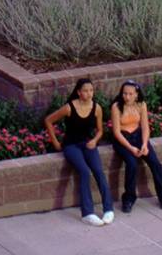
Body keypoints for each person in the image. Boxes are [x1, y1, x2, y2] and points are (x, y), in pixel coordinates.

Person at [44, 78, 115, 226]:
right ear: (78, 92)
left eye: (91, 90)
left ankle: (108, 209)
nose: (89, 94)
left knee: (98, 171)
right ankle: (87, 213)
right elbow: (48, 120)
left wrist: (95, 140)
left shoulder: (97, 108)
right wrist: (56, 142)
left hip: (88, 144)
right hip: (71, 146)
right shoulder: (69, 107)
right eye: (85, 91)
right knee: (84, 171)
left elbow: (100, 130)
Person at [109, 79, 162, 213]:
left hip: (138, 137)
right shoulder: (116, 107)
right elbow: (116, 132)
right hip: (123, 139)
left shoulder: (141, 104)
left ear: (136, 94)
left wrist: (144, 144)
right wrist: (131, 148)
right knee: (131, 164)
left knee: (155, 163)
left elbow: (145, 127)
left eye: (131, 94)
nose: (127, 97)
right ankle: (129, 199)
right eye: (125, 93)